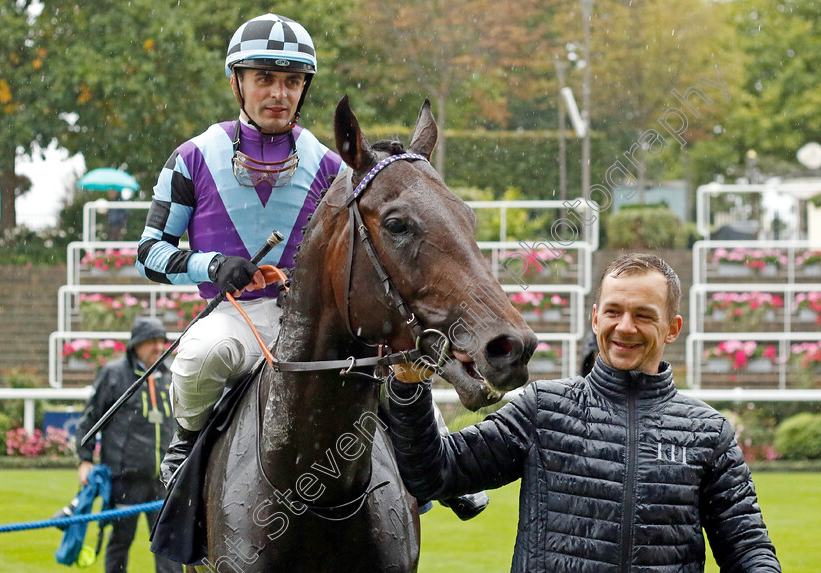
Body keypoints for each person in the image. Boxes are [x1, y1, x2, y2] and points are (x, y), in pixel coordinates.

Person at [387, 253, 781, 572]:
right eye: (613, 312)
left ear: (672, 327)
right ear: (595, 318)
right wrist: (408, 384)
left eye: (643, 315)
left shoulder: (707, 433)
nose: (625, 327)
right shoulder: (542, 408)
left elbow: (747, 551)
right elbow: (434, 472)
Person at [135, 13, 346, 486]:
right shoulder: (192, 157)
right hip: (236, 316)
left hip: (313, 321)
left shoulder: (332, 168)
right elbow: (149, 253)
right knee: (200, 355)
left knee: (398, 361)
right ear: (238, 83)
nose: (279, 93)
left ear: (304, 88)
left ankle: (434, 467)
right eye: (264, 78)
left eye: (292, 81)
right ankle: (185, 443)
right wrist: (210, 264)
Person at [75, 317, 182, 573]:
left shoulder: (170, 374)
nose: (158, 347)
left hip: (163, 480)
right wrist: (85, 459)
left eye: (161, 341)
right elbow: (90, 420)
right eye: (151, 341)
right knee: (121, 542)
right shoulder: (114, 374)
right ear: (135, 345)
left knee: (169, 544)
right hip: (125, 479)